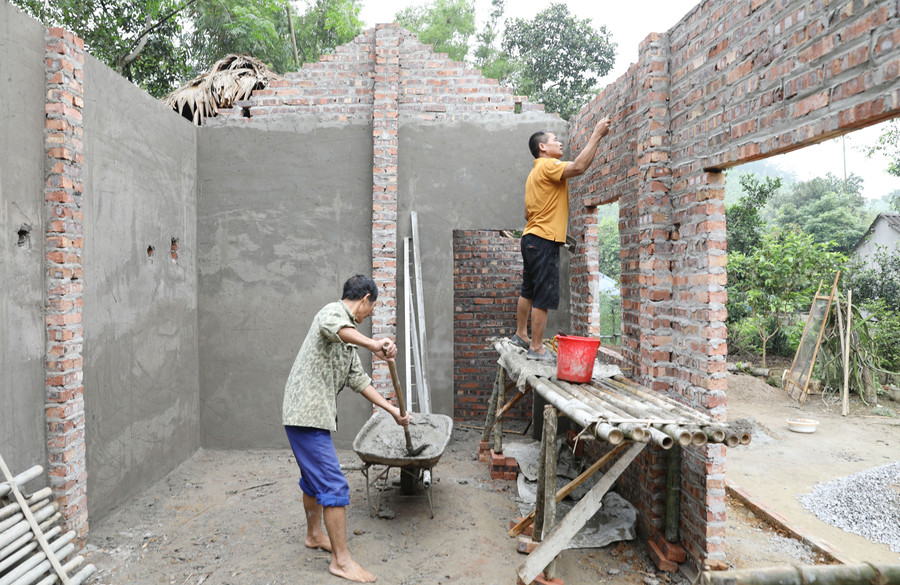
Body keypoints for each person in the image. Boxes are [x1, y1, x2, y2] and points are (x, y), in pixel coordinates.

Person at [282, 274, 411, 583]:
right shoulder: (332, 313)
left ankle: (314, 535)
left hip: (311, 416)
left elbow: (360, 381)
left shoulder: (348, 345)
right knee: (334, 486)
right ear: (365, 298)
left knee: (313, 481)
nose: (369, 315)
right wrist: (374, 344)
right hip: (305, 415)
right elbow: (335, 329)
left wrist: (393, 410)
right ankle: (341, 561)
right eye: (372, 308)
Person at [512, 117, 612, 360]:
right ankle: (536, 347)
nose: (560, 143)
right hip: (543, 240)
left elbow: (527, 212)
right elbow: (578, 167)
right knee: (543, 295)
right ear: (542, 148)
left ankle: (521, 336)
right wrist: (597, 134)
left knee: (528, 290)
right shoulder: (547, 166)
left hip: (531, 238)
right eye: (555, 140)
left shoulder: (534, 174)